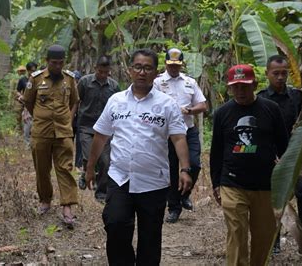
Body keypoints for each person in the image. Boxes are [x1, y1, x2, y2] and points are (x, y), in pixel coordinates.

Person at [85, 48, 193, 265]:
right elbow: (100, 135)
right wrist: (90, 168)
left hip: (153, 181)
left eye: (147, 68)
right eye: (138, 67)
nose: (142, 72)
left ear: (156, 72)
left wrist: (184, 169)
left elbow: (179, 138)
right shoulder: (116, 101)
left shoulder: (166, 104)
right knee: (115, 223)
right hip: (120, 177)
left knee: (150, 236)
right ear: (129, 71)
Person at [210, 64, 289, 266]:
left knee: (264, 236)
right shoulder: (222, 113)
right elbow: (217, 151)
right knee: (237, 233)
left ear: (254, 84)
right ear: (229, 88)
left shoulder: (271, 109)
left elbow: (284, 146)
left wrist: (286, 178)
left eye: (244, 86)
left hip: (265, 184)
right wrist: (216, 183)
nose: (240, 91)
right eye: (235, 87)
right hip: (232, 182)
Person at [258, 55, 302, 256]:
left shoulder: (297, 97)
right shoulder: (260, 99)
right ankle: (273, 240)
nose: (280, 77)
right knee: (271, 198)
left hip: (295, 155)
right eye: (275, 73)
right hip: (270, 156)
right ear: (267, 73)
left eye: (284, 73)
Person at [23, 45, 79, 229]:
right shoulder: (36, 79)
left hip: (64, 132)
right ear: (47, 61)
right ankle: (45, 200)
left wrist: (69, 122)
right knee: (42, 168)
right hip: (41, 132)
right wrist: (40, 118)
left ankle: (67, 207)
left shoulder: (70, 79)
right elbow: (29, 102)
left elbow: (74, 102)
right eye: (54, 63)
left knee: (65, 168)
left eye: (60, 63)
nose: (57, 66)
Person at [154, 48, 207, 223]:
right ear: (166, 64)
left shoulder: (190, 82)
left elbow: (203, 105)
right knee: (171, 171)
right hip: (167, 133)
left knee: (193, 163)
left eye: (177, 65)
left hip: (188, 130)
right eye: (171, 65)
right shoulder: (157, 82)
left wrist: (189, 110)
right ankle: (174, 208)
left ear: (181, 65)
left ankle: (185, 194)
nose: (174, 68)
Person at [77, 56, 120, 201]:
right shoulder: (84, 82)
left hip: (106, 129)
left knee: (105, 161)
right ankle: (85, 172)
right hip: (86, 126)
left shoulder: (114, 86)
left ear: (109, 71)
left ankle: (101, 192)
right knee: (89, 156)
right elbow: (77, 101)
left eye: (106, 72)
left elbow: (118, 107)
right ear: (95, 68)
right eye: (100, 71)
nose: (102, 75)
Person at [17, 62, 37, 147]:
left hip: (37, 105)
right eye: (31, 71)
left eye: (34, 70)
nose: (33, 72)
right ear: (28, 71)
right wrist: (21, 96)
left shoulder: (38, 79)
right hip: (27, 105)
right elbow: (17, 91)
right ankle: (27, 143)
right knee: (27, 123)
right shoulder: (23, 80)